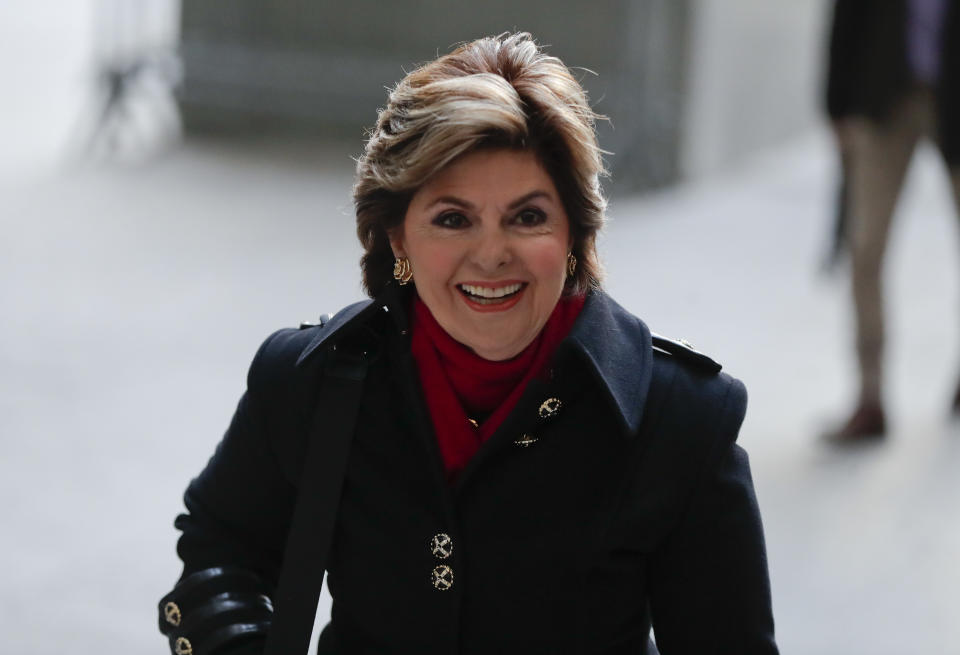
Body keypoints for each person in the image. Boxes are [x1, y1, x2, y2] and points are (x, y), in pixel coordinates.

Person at [157, 33, 779, 654]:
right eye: (452, 219)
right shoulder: (308, 379)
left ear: (574, 233)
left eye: (527, 216)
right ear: (398, 238)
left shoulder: (682, 419)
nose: (491, 255)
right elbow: (221, 551)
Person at [825, 0, 960, 440]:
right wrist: (836, 105)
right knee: (866, 248)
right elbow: (847, 16)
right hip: (882, 97)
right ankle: (870, 398)